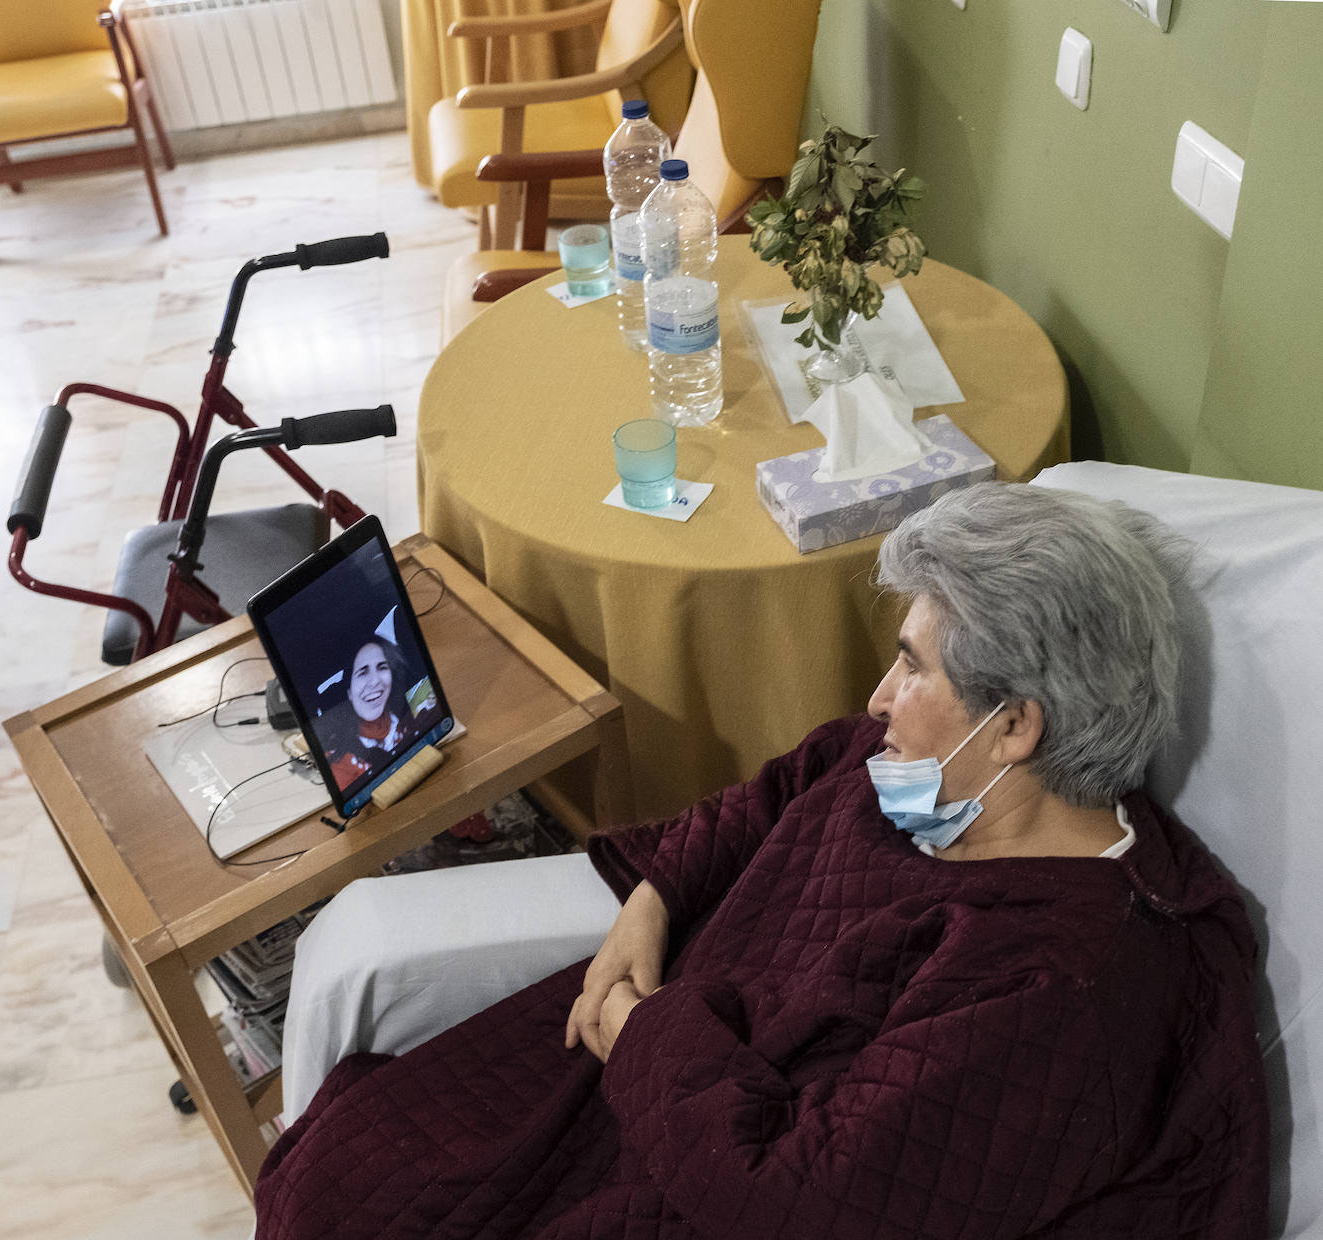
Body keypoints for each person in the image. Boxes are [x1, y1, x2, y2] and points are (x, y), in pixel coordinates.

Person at [255, 483, 1268, 1240]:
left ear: (1015, 726)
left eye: (911, 665)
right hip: (660, 1066)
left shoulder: (1063, 990)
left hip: (707, 1157)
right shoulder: (929, 768)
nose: (876, 698)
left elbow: (797, 1200)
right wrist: (654, 896)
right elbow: (786, 787)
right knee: (341, 1175)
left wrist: (642, 1028)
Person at [320, 638, 411, 790]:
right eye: (362, 672)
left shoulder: (407, 718)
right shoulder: (336, 758)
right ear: (349, 693)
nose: (375, 681)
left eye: (382, 667)